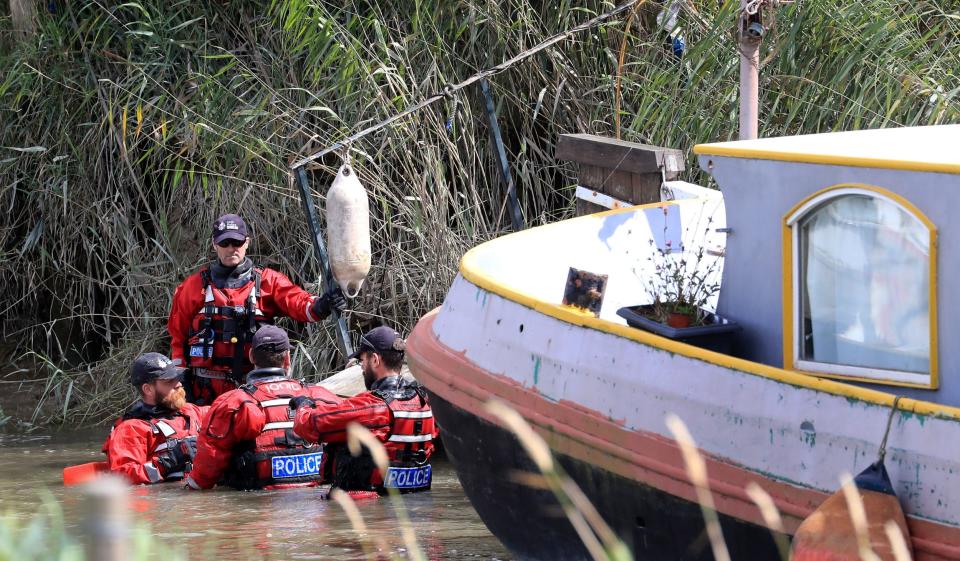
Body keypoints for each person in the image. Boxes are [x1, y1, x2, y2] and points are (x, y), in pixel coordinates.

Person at [168, 213, 347, 405]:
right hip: (204, 390)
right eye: (224, 243)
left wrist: (324, 305)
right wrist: (180, 378)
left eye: (236, 243)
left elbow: (301, 305)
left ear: (247, 243)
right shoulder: (193, 287)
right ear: (214, 244)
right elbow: (177, 337)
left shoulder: (268, 281)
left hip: (254, 390)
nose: (231, 249)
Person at [185, 325, 342, 490]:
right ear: (288, 358)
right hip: (315, 502)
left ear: (251, 356)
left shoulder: (234, 402)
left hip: (258, 505)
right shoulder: (320, 396)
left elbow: (202, 478)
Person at [291, 326, 438, 494]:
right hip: (416, 504)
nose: (361, 367)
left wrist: (303, 404)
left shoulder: (372, 406)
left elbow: (308, 425)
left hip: (368, 511)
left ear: (375, 360)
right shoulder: (425, 403)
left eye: (363, 361)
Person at [102, 352, 207, 485]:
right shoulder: (131, 429)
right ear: (148, 389)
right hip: (170, 501)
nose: (179, 384)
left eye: (178, 378)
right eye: (169, 381)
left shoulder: (191, 411)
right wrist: (168, 461)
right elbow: (122, 478)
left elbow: (225, 411)